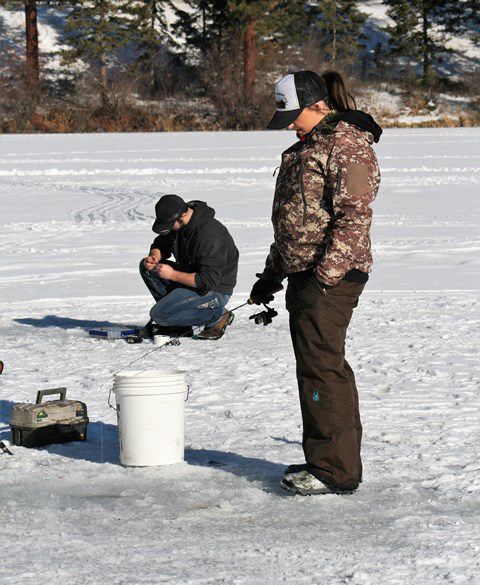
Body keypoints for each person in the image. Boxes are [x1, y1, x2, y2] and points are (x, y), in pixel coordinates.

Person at [250, 70, 382, 496]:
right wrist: (270, 277)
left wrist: (326, 275)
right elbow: (294, 226)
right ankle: (327, 460)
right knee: (316, 368)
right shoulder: (308, 147)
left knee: (323, 370)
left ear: (316, 104)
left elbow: (354, 217)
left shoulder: (345, 143)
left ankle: (334, 471)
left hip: (331, 276)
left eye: (293, 115)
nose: (288, 123)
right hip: (306, 273)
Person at [140, 194, 239, 340]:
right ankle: (179, 323)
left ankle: (217, 316)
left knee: (159, 314)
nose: (168, 229)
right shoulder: (180, 224)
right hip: (190, 278)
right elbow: (162, 242)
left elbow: (207, 281)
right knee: (147, 269)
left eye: (169, 225)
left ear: (183, 215)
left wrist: (172, 275)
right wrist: (155, 256)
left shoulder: (209, 235)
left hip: (215, 290)